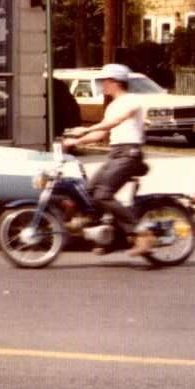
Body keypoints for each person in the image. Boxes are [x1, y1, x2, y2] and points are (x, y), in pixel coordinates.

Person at [62, 63, 154, 256]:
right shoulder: (111, 105)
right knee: (86, 192)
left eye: (105, 81)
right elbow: (101, 133)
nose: (103, 85)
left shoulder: (131, 101)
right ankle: (112, 237)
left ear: (115, 82)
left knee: (103, 194)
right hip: (115, 154)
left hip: (130, 153)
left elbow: (115, 121)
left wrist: (86, 128)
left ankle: (142, 234)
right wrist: (74, 141)